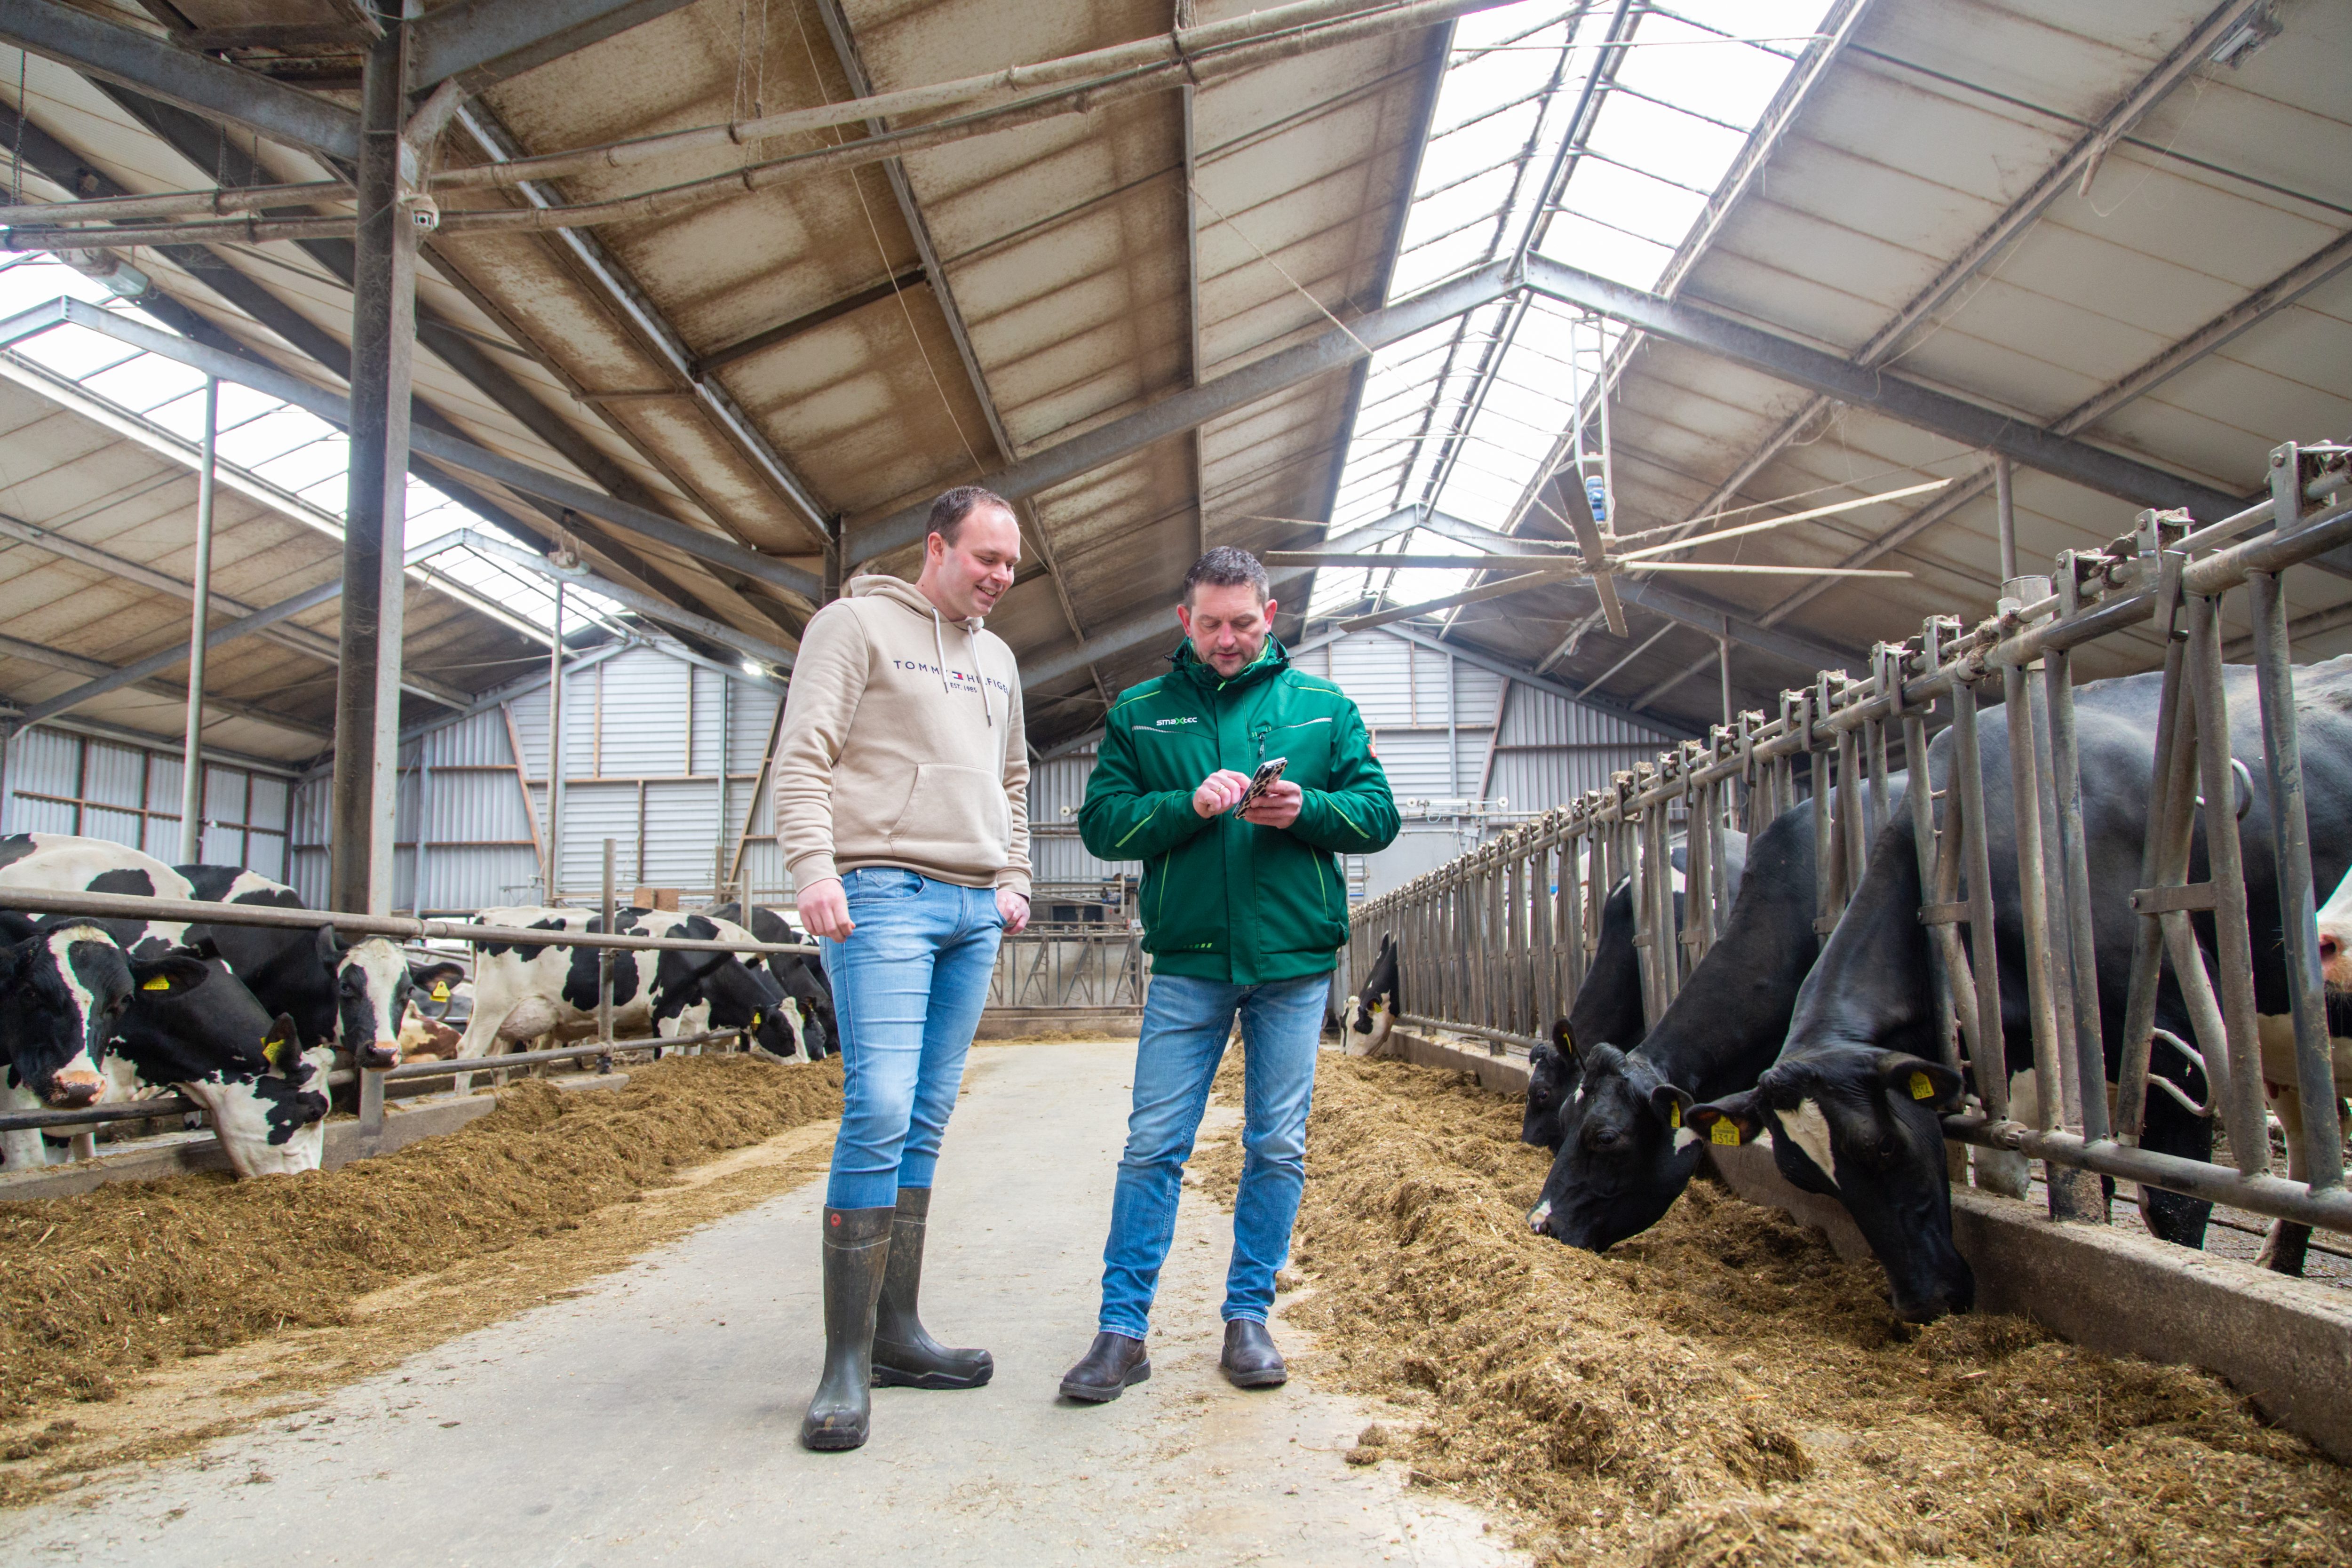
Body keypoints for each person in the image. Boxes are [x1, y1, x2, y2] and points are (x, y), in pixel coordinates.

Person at [1060, 546, 1398, 1401]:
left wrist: (1308, 808)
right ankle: (1122, 1328)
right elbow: (1101, 824)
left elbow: (1379, 815)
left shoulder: (1323, 708)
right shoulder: (1142, 712)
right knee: (1153, 1143)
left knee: (1276, 1143)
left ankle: (1249, 1316)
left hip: (1292, 962)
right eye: (1209, 623)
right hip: (1191, 963)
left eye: (1243, 623)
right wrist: (1188, 805)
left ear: (1270, 616)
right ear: (1185, 619)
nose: (1226, 639)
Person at [774, 485, 1032, 1451]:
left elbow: (1014, 779)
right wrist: (813, 867)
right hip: (881, 892)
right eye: (986, 558)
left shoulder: (1000, 659)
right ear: (937, 546)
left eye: (1011, 564)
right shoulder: (852, 626)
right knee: (878, 1105)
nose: (1001, 576)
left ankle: (897, 1333)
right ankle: (843, 1362)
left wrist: (1013, 875)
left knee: (925, 1114)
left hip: (973, 908)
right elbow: (804, 753)